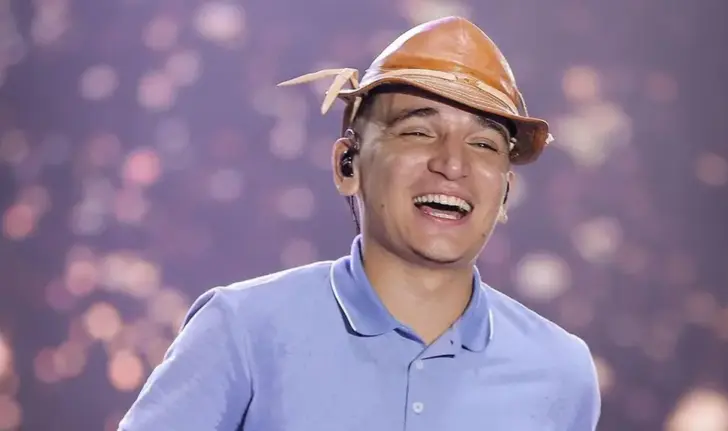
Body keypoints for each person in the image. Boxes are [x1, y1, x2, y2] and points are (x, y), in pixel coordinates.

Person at [119, 16, 601, 431]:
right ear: (347, 165)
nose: (452, 164)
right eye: (418, 131)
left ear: (506, 193)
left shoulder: (561, 370)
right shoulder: (242, 330)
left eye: (483, 145)